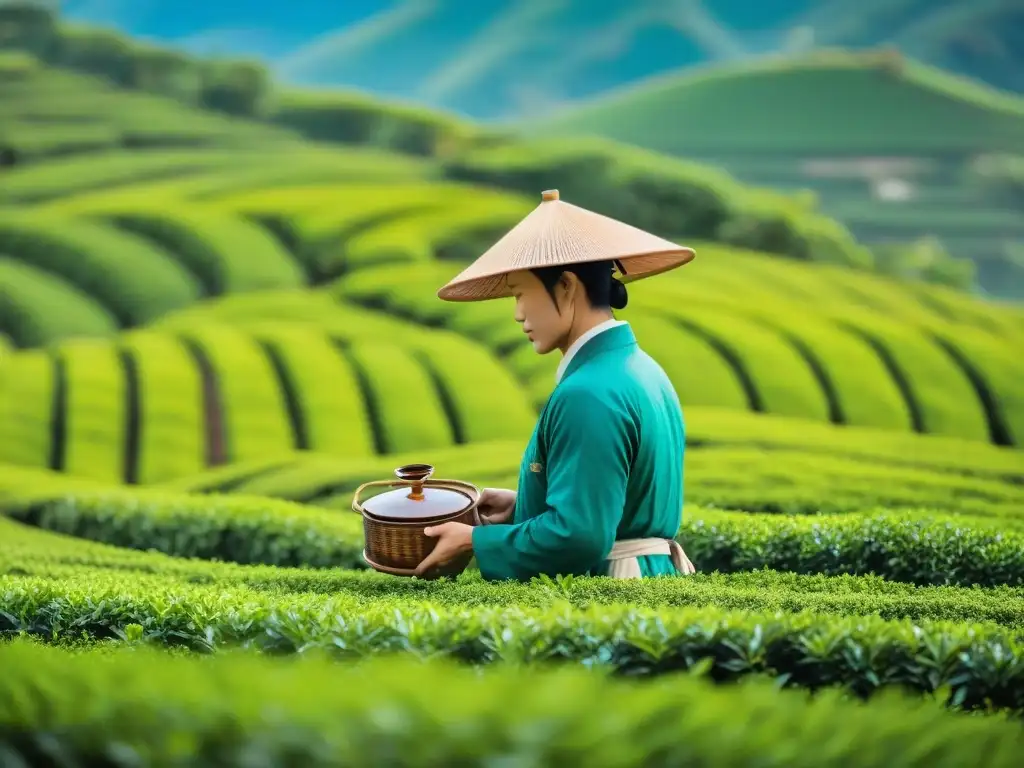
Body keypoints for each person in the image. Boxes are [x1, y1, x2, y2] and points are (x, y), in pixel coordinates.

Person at [414, 189, 697, 581]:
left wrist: (473, 541)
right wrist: (524, 506)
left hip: (613, 583)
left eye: (520, 292)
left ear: (565, 286)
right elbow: (616, 501)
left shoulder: (588, 393)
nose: (517, 313)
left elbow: (580, 536)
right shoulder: (640, 369)